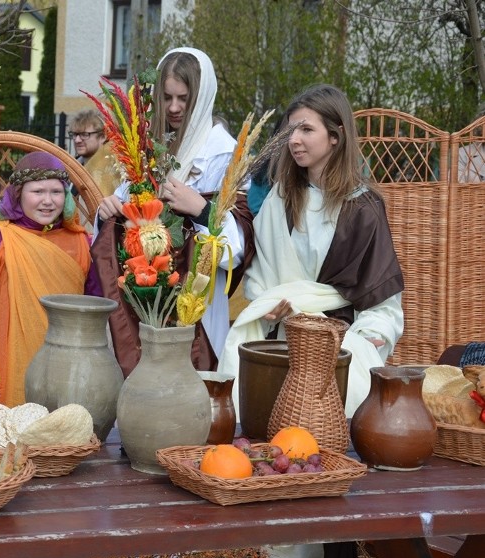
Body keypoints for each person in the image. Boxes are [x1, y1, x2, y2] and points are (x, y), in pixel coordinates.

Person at [219, 84, 404, 421]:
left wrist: (369, 338)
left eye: (306, 129)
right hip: (280, 343)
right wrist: (268, 306)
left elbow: (382, 302)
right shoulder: (280, 199)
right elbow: (262, 281)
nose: (294, 140)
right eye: (291, 130)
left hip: (337, 350)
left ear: (336, 136)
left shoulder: (363, 209)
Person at [92, 47, 255, 377]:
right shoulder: (148, 150)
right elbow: (124, 212)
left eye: (184, 98)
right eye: (166, 98)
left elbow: (236, 252)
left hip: (198, 306)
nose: (174, 107)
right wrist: (107, 211)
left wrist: (201, 209)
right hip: (145, 295)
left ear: (202, 96)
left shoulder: (224, 155)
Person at [0, 151, 102, 408]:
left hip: (65, 376)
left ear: (67, 196)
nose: (48, 201)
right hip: (0, 371)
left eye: (56, 192)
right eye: (37, 191)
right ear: (18, 194)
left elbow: (93, 313)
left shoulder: (80, 243)